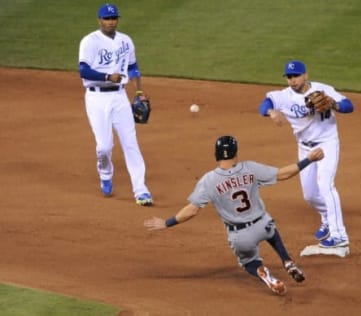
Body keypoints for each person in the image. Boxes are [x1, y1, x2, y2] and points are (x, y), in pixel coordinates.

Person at [144, 136, 324, 295]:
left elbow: (192, 209)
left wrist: (167, 223)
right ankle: (287, 261)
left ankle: (265, 274)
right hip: (262, 224)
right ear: (235, 153)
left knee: (249, 263)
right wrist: (309, 159)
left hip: (240, 236)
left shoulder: (209, 180)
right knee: (271, 229)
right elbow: (283, 174)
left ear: (216, 154)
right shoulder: (250, 168)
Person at [258, 60, 354, 251]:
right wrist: (271, 112)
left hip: (327, 143)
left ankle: (339, 235)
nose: (292, 80)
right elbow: (265, 103)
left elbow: (349, 106)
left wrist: (334, 104)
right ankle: (328, 217)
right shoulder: (283, 96)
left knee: (326, 185)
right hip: (305, 148)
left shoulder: (322, 89)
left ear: (305, 75)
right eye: (289, 77)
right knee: (310, 195)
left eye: (296, 76)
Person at [78, 3, 153, 206]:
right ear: (99, 20)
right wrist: (106, 76)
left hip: (119, 97)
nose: (111, 22)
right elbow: (83, 70)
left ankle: (141, 190)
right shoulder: (90, 41)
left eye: (113, 18)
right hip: (96, 98)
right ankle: (105, 173)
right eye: (106, 18)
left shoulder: (125, 41)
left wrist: (138, 91)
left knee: (131, 143)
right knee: (104, 147)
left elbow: (133, 67)